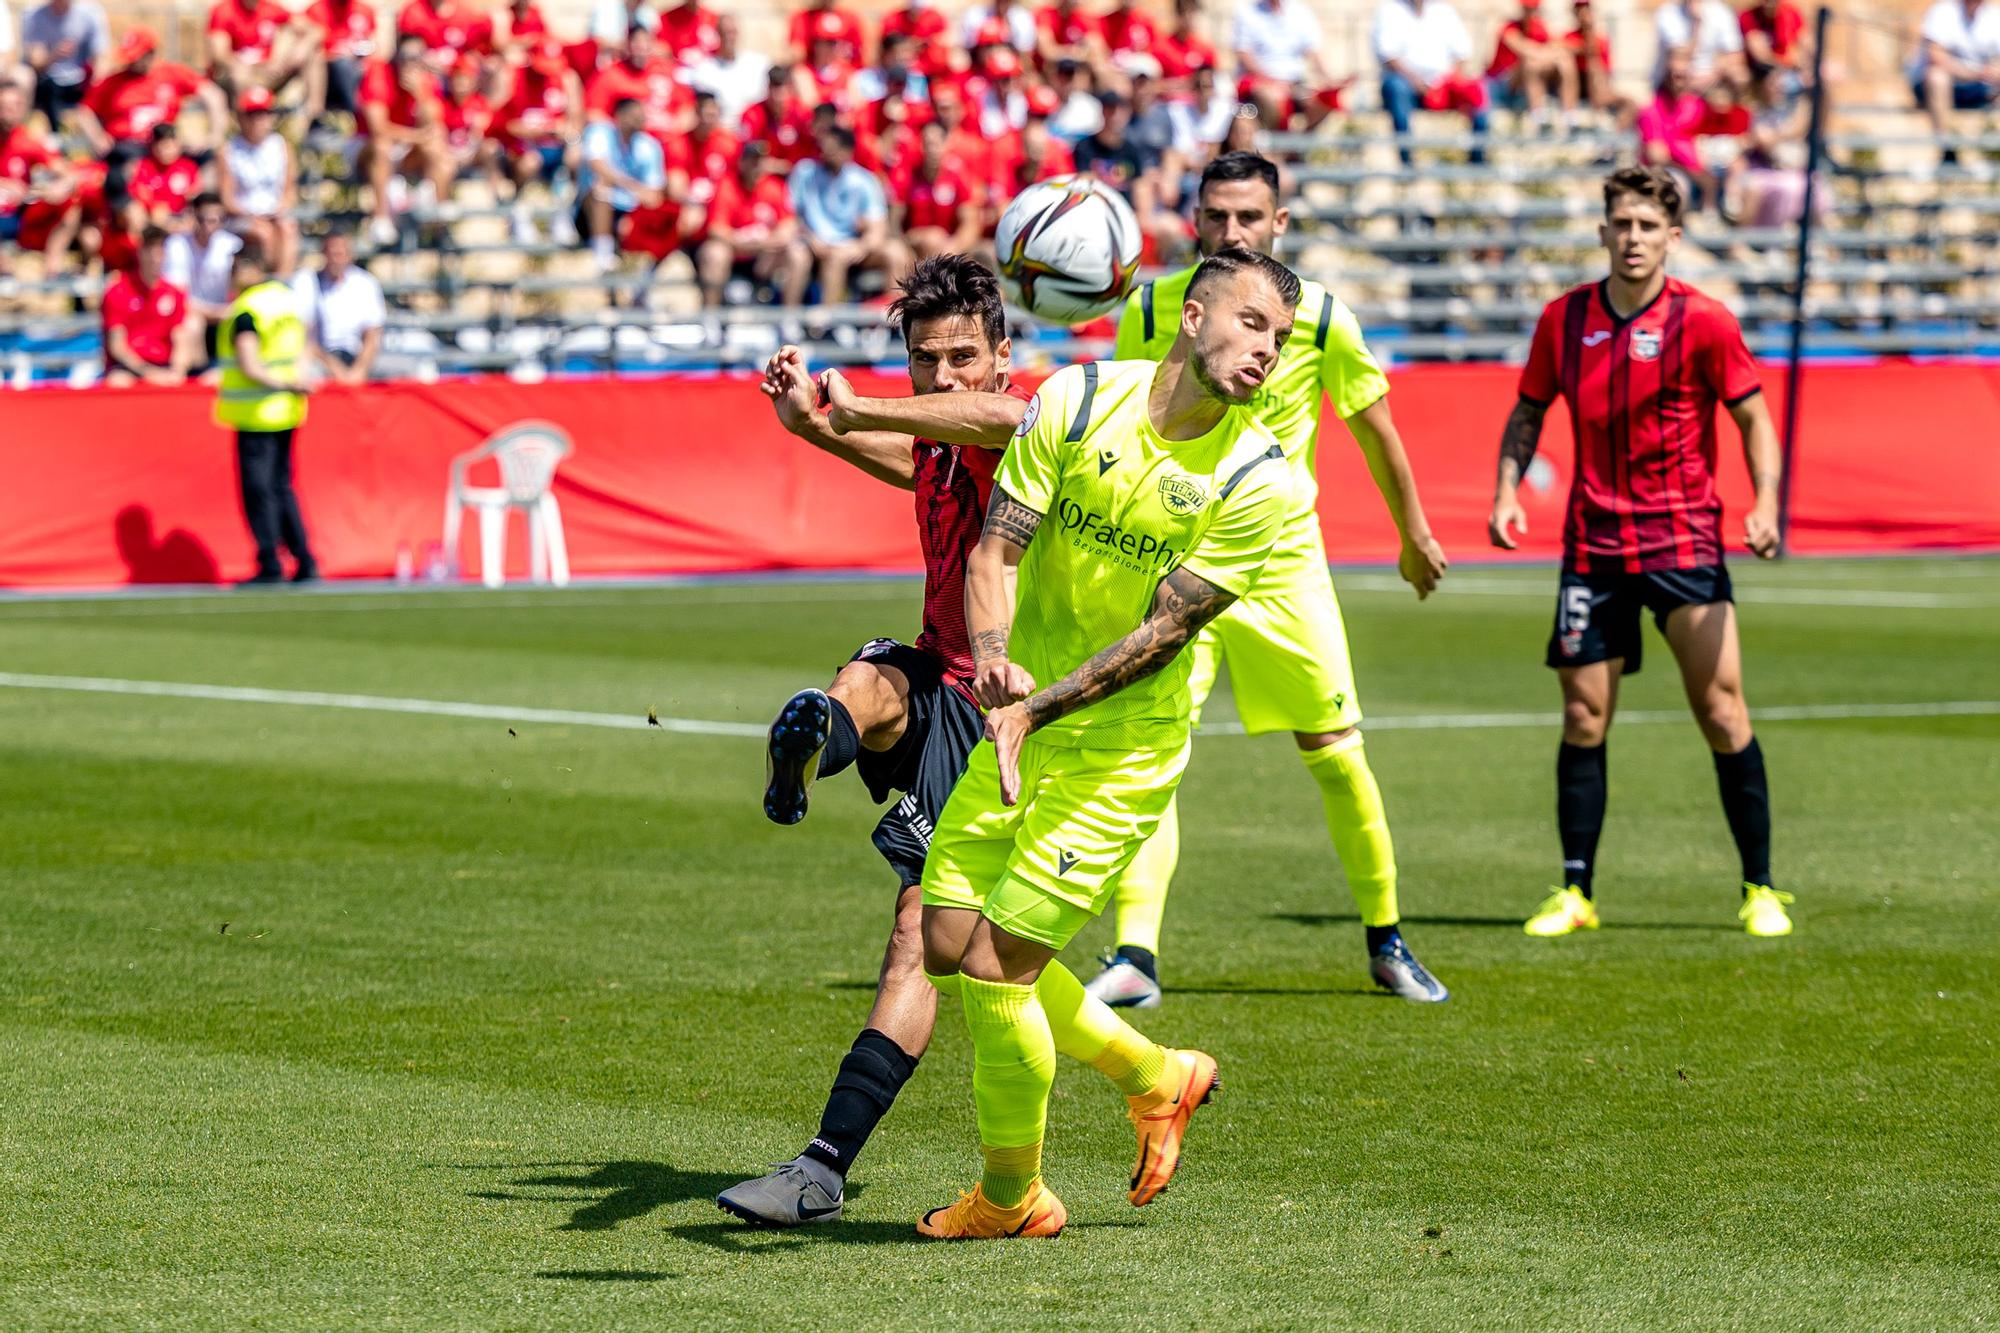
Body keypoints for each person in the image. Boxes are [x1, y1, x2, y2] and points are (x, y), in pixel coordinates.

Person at [913, 247, 1297, 1238]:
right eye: (1250, 323)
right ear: (1191, 313)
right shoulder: (1076, 400)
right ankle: (1159, 1075)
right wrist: (995, 662)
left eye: (1280, 341)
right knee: (948, 940)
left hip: (1117, 753)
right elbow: (995, 548)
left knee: (999, 966)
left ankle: (1010, 1199)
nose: (1264, 351)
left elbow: (1161, 633)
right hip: (1021, 720)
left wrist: (1028, 709)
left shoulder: (1262, 478)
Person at [712, 256, 1034, 1226]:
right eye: (924, 359)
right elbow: (908, 451)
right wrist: (813, 422)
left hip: (999, 712)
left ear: (1001, 356)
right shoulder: (936, 442)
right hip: (937, 676)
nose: (942, 379)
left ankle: (821, 1166)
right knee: (860, 678)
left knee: (922, 941)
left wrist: (867, 407)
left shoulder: (1026, 431)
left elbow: (995, 420)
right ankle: (807, 749)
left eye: (962, 357)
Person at [1086, 151, 1449, 1009]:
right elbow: (1136, 410)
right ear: (1196, 219)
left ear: (1278, 223)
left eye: (1249, 217)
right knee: (1151, 750)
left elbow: (1375, 428)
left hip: (1284, 560)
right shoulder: (1153, 306)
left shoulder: (1322, 318)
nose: (1232, 231)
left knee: (1332, 748)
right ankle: (1135, 952)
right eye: (1217, 216)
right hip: (1178, 556)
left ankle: (1387, 939)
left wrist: (1414, 532)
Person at [1487, 165, 1790, 940]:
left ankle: (1760, 886)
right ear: (1602, 232)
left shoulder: (1707, 321)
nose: (1633, 239)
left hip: (1684, 538)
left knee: (1722, 711)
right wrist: (1507, 492)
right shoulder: (1564, 319)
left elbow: (1754, 419)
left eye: (1648, 227)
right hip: (1592, 544)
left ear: (1672, 239)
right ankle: (1575, 892)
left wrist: (1764, 503)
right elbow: (1528, 412)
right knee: (1584, 715)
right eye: (1621, 224)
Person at [217, 243, 318, 586]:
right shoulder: (285, 300)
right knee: (283, 486)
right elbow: (305, 341)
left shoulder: (247, 309)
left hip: (257, 411)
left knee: (259, 491)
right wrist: (297, 380)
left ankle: (270, 561)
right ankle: (304, 557)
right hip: (288, 410)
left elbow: (249, 364)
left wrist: (282, 383)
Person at [789, 123, 907, 305]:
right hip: (812, 243)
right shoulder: (804, 173)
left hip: (850, 245)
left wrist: (860, 247)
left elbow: (877, 227)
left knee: (896, 252)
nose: (825, 154)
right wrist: (811, 239)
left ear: (847, 152)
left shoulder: (864, 181)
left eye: (832, 150)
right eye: (823, 148)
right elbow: (791, 216)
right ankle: (808, 323)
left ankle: (892, 324)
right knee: (798, 255)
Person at [358, 34, 451, 245]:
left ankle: (439, 216)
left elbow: (434, 123)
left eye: (418, 57)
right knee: (382, 148)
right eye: (407, 56)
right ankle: (381, 218)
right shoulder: (378, 75)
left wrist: (420, 94)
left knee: (437, 146)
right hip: (369, 149)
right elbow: (378, 129)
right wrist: (417, 136)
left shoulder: (426, 81)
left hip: (406, 149)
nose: (411, 62)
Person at [691, 140, 808, 305]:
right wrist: (746, 244)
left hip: (764, 257)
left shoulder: (775, 186)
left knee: (797, 253)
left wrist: (766, 243)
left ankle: (789, 317)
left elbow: (788, 225)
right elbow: (716, 229)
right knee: (714, 253)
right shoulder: (726, 185)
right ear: (742, 162)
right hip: (734, 253)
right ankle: (712, 316)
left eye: (760, 160)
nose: (756, 165)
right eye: (752, 160)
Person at [1374, 0, 1489, 163]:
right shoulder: (1389, 10)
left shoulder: (1444, 11)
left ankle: (1478, 157)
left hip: (1442, 84)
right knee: (1396, 87)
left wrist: (1444, 81)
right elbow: (1387, 55)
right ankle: (1406, 159)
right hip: (1408, 85)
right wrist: (1416, 81)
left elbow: (1462, 53)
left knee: (1478, 90)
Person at [579, 94, 671, 273]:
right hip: (591, 212)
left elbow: (654, 192)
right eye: (634, 114)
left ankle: (644, 272)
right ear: (619, 115)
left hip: (630, 211)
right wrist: (633, 187)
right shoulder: (599, 132)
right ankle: (602, 254)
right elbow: (597, 166)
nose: (639, 119)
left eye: (642, 114)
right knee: (601, 190)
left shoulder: (650, 145)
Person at [221, 87, 299, 277]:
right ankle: (268, 278)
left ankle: (282, 281)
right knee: (263, 232)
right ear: (241, 118)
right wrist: (253, 214)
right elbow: (227, 198)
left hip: (273, 213)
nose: (258, 121)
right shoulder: (229, 150)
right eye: (252, 115)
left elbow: (289, 190)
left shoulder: (282, 147)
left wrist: (279, 209)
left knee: (288, 228)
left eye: (263, 114)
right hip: (242, 215)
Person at [102, 225, 194, 386]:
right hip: (131, 366)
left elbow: (180, 338)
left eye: (160, 250)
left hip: (164, 363)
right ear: (140, 252)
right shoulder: (118, 291)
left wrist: (178, 370)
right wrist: (148, 373)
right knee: (117, 383)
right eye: (150, 249)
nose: (155, 257)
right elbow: (117, 345)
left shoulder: (174, 293)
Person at [292, 224, 384, 383]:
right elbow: (305, 336)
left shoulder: (366, 283)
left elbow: (372, 336)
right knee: (304, 370)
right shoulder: (307, 282)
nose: (337, 259)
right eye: (333, 254)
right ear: (324, 254)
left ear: (350, 255)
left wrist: (359, 370)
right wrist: (334, 367)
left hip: (356, 356)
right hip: (321, 358)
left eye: (341, 254)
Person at [1910, 0, 2000, 158]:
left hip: (1977, 87)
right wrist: (1975, 73)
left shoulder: (1993, 15)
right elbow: (1936, 57)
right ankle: (1946, 148)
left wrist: (1994, 72)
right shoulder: (1942, 12)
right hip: (1934, 87)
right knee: (1937, 76)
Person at [1233, 0, 1339, 130]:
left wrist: (1330, 81)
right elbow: (1244, 54)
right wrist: (1273, 83)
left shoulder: (1301, 12)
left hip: (1294, 84)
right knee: (1269, 96)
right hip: (1261, 83)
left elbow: (1314, 52)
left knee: (1326, 101)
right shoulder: (1247, 12)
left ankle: (1296, 144)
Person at [163, 192, 243, 360]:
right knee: (193, 324)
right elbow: (177, 295)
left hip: (225, 313)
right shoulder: (176, 245)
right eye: (203, 219)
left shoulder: (233, 246)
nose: (209, 226)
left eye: (217, 220)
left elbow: (240, 287)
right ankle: (197, 376)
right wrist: (217, 313)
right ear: (194, 216)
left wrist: (227, 311)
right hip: (193, 315)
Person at [893, 119, 983, 260]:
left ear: (946, 144)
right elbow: (895, 221)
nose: (932, 150)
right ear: (921, 145)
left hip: (948, 246)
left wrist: (952, 249)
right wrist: (909, 240)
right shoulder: (908, 176)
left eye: (936, 144)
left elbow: (970, 223)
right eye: (927, 144)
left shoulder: (959, 175)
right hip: (913, 244)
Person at [1485, 0, 1577, 127]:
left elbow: (1556, 47)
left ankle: (1569, 114)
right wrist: (1549, 54)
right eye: (1527, 8)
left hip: (1528, 77)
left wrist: (1553, 54)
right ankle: (1538, 114)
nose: (1531, 12)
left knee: (1564, 62)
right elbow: (1526, 50)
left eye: (1533, 8)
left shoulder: (1539, 28)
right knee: (1531, 63)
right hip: (1503, 83)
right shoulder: (1509, 29)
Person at [22, 0, 109, 129]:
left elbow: (101, 56)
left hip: (80, 80)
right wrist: (54, 56)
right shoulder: (33, 15)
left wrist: (97, 82)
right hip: (46, 81)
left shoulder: (91, 13)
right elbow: (35, 61)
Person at [1652, 0, 1748, 94]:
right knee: (1679, 68)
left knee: (1739, 75)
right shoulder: (1668, 13)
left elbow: (1735, 54)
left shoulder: (1722, 11)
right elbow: (1679, 56)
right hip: (1682, 75)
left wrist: (1714, 74)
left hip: (1713, 73)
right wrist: (1697, 24)